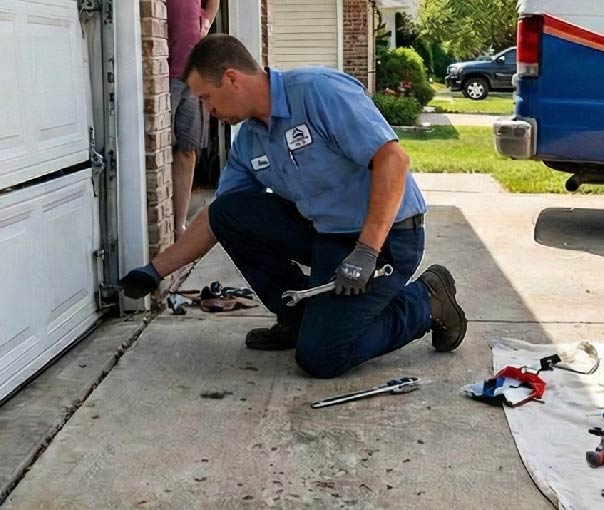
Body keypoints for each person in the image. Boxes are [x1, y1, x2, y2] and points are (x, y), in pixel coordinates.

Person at [118, 35, 466, 379]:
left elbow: (393, 160)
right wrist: (154, 272)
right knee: (229, 211)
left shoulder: (319, 92)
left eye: (207, 99)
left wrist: (366, 251)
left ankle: (427, 299)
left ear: (232, 78)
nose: (208, 112)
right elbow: (217, 218)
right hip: (329, 237)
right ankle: (297, 318)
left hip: (387, 239)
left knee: (322, 358)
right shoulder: (249, 141)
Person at [167, 0, 220, 235]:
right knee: (160, 148)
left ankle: (179, 224)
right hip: (163, 74)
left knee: (187, 150)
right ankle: (163, 221)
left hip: (192, 74)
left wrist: (206, 20)